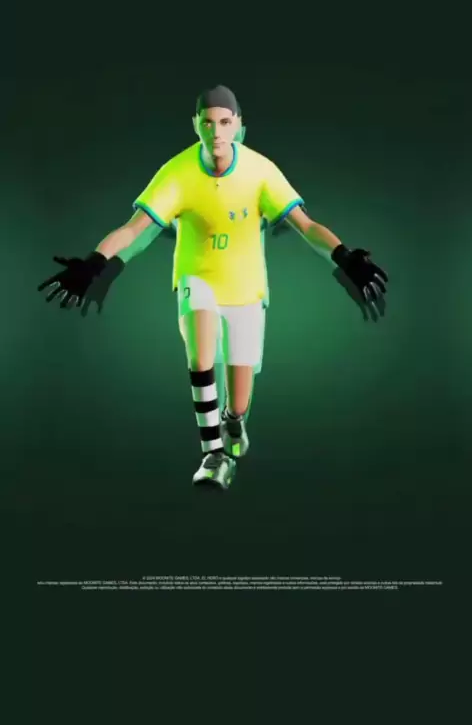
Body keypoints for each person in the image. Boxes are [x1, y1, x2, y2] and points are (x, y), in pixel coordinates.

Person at [38, 84, 388, 491]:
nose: (216, 132)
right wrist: (94, 262)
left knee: (238, 401)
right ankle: (213, 455)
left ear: (238, 125)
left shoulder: (260, 171)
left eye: (224, 122)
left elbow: (306, 225)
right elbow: (134, 228)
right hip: (196, 278)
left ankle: (233, 421)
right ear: (196, 125)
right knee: (200, 352)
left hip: (246, 288)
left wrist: (345, 256)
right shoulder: (177, 173)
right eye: (208, 123)